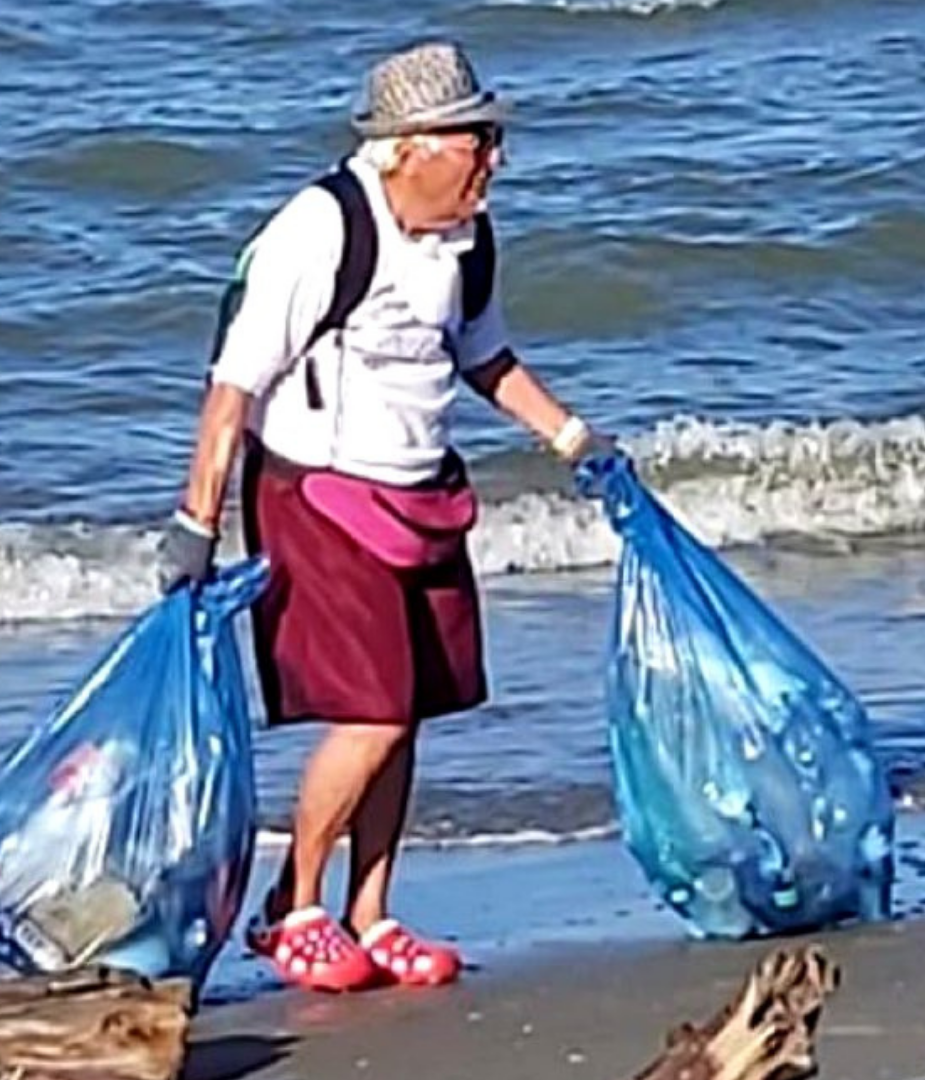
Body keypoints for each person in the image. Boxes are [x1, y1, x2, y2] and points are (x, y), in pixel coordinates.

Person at [157, 39, 615, 994]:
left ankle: (368, 913)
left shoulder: (468, 238)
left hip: (421, 493)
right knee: (373, 711)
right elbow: (231, 389)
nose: (493, 159)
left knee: (411, 716)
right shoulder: (318, 231)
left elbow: (485, 359)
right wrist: (194, 523)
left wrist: (577, 440)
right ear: (407, 146)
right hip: (316, 496)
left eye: (495, 140)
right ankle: (295, 905)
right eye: (475, 140)